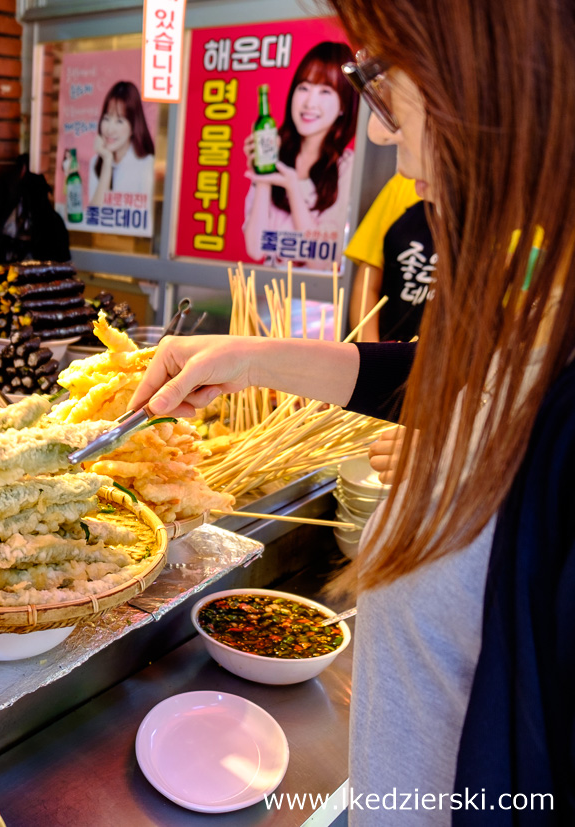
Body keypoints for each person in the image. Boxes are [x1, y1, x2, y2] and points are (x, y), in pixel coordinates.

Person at [130, 1, 573, 822]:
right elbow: (460, 389)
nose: (375, 132)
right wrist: (250, 356)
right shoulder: (549, 316)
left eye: (380, 74)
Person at [242, 41, 358, 267]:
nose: (309, 102)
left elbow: (321, 261)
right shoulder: (276, 152)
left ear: (343, 105)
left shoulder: (345, 167)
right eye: (303, 87)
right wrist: (263, 176)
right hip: (266, 298)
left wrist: (293, 188)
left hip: (313, 301)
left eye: (325, 91)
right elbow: (255, 249)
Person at [345, 171, 434, 341]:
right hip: (391, 345)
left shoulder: (494, 201)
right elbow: (366, 285)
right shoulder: (404, 184)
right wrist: (374, 358)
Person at [87, 81, 155, 209]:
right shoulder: (96, 162)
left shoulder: (146, 165)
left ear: (134, 126)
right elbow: (94, 213)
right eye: (106, 118)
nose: (109, 129)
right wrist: (107, 161)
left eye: (119, 121)